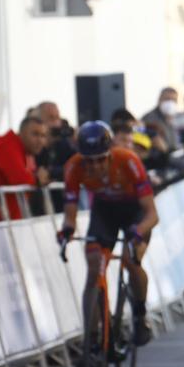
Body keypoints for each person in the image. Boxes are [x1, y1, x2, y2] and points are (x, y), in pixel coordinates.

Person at [58, 122, 159, 348]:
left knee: (131, 261)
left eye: (100, 159)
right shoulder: (73, 167)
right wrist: (66, 230)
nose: (94, 166)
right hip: (105, 212)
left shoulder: (129, 161)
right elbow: (70, 212)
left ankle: (140, 316)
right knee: (94, 266)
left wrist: (139, 230)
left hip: (136, 212)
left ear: (110, 154)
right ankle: (92, 340)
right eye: (88, 161)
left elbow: (152, 214)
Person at [0, 117, 50, 222]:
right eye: (35, 134)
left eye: (43, 136)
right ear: (21, 133)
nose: (40, 140)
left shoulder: (26, 153)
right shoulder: (7, 147)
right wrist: (38, 178)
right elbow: (20, 180)